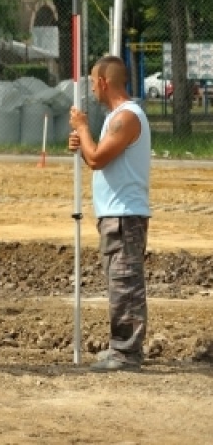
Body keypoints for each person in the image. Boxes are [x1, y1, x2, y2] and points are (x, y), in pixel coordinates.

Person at [68, 54, 152, 372]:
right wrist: (83, 141)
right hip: (115, 214)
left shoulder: (126, 117)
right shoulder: (116, 117)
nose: (90, 88)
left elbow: (98, 158)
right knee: (118, 283)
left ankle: (127, 353)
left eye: (92, 82)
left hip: (125, 215)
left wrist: (83, 129)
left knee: (125, 283)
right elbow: (95, 156)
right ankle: (121, 348)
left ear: (104, 82)